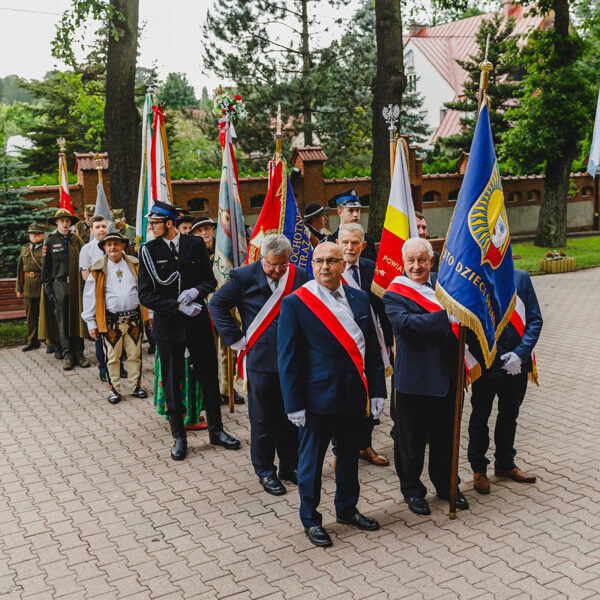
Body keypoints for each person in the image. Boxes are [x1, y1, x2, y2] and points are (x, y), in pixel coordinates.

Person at [278, 242, 386, 547]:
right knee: (311, 463)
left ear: (343, 264)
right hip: (316, 400)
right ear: (312, 265)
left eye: (331, 261)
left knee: (349, 457)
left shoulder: (359, 297)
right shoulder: (297, 302)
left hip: (353, 395)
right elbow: (287, 358)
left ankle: (347, 509)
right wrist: (293, 403)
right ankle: (311, 519)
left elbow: (372, 349)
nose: (325, 266)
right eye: (319, 261)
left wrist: (377, 390)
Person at [138, 200, 240, 461]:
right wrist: (176, 306)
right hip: (168, 326)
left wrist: (196, 291)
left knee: (209, 377)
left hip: (197, 321)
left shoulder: (194, 243)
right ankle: (179, 437)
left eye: (154, 223)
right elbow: (145, 295)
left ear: (168, 223)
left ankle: (216, 431)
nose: (151, 227)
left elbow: (209, 280)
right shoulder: (148, 251)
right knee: (172, 381)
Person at [210, 234, 308, 496]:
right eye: (271, 265)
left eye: (282, 265)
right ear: (261, 257)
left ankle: (290, 465)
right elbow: (217, 304)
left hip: (292, 360)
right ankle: (265, 471)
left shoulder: (298, 275)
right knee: (263, 420)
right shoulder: (243, 276)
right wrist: (235, 339)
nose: (277, 270)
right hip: (260, 360)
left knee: (291, 416)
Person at [383, 237, 469, 516]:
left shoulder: (447, 288)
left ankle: (446, 485)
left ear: (432, 261)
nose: (417, 266)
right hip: (414, 379)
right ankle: (412, 490)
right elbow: (407, 324)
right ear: (403, 262)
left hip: (448, 375)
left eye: (422, 260)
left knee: (446, 437)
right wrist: (447, 318)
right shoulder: (394, 293)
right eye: (411, 260)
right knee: (411, 441)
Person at [467, 269, 543, 494]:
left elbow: (535, 320)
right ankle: (479, 469)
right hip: (487, 363)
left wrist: (519, 354)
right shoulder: (474, 276)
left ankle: (505, 463)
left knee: (510, 414)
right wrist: (499, 356)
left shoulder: (521, 277)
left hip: (517, 364)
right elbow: (469, 324)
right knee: (480, 417)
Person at [337, 223, 390, 467]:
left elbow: (383, 308)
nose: (349, 247)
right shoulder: (329, 268)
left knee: (369, 392)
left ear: (363, 245)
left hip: (369, 341)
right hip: (340, 345)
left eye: (355, 243)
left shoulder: (372, 269)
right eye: (345, 242)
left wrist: (389, 342)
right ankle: (340, 449)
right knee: (343, 397)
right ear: (338, 243)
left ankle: (364, 445)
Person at [82, 232, 148, 404]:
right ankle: (114, 390)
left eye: (116, 244)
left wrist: (150, 314)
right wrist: (91, 322)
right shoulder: (97, 269)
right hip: (111, 321)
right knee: (112, 358)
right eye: (109, 244)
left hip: (134, 319)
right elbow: (89, 297)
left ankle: (135, 387)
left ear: (123, 245)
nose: (113, 247)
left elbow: (145, 290)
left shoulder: (135, 264)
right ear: (104, 248)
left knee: (135, 355)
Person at [191, 216, 245, 405]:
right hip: (204, 308)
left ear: (214, 230)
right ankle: (210, 390)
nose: (204, 233)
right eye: (199, 230)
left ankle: (227, 389)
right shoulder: (194, 253)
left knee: (227, 350)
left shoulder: (225, 248)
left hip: (225, 306)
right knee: (208, 352)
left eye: (207, 228)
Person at [41, 208, 89, 371]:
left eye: (67, 221)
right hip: (59, 285)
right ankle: (67, 355)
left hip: (76, 285)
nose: (65, 223)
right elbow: (46, 268)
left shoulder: (76, 239)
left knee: (77, 319)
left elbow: (85, 260)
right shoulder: (50, 241)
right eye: (61, 221)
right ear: (56, 222)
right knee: (63, 322)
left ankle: (79, 354)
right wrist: (48, 290)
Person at [15, 223, 45, 352]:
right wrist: (19, 288)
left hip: (41, 286)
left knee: (45, 316)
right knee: (30, 317)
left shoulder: (45, 248)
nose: (34, 236)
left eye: (37, 234)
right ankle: (32, 341)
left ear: (43, 235)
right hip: (27, 287)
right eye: (31, 234)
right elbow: (20, 270)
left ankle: (49, 342)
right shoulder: (25, 248)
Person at [325, 189, 377, 261]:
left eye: (357, 210)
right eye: (351, 210)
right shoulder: (329, 241)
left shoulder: (368, 240)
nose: (356, 214)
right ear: (340, 212)